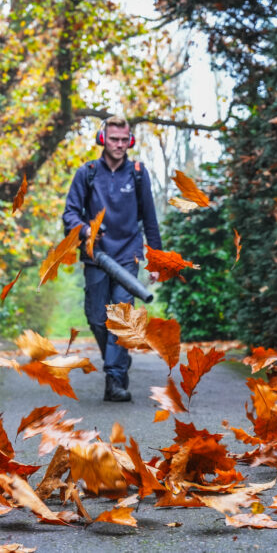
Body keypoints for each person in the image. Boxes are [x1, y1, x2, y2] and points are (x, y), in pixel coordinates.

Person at [62, 115, 162, 402]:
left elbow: (150, 220)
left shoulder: (139, 174)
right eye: (113, 139)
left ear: (130, 140)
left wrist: (154, 259)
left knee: (121, 317)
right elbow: (69, 213)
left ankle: (115, 379)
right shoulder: (88, 173)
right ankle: (116, 357)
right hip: (96, 256)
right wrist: (87, 230)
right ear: (102, 138)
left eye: (123, 139)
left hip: (128, 257)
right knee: (96, 317)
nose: (119, 145)